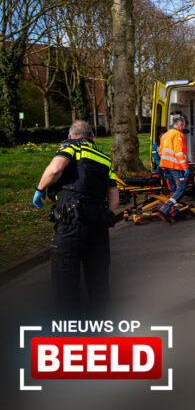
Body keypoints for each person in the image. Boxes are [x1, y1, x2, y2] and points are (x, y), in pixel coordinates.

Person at [32, 120, 118, 314]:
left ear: (71, 136)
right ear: (93, 137)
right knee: (98, 278)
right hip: (98, 222)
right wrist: (109, 214)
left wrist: (39, 189)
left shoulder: (70, 146)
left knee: (65, 278)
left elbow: (55, 168)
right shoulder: (104, 158)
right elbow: (114, 195)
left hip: (72, 221)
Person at [157, 116, 189, 224]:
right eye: (183, 126)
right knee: (181, 189)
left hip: (165, 167)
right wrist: (185, 167)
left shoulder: (165, 135)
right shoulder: (178, 134)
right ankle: (164, 210)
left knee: (173, 190)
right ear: (180, 125)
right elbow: (178, 152)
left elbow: (160, 152)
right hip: (175, 166)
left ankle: (175, 213)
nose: (183, 128)